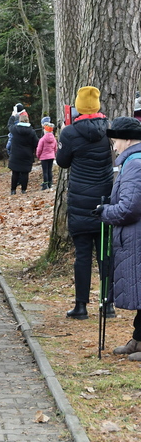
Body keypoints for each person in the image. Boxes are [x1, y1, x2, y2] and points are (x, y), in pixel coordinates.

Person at [56, 86, 113, 320]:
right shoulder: (109, 129)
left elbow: (62, 162)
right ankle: (108, 304)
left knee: (82, 255)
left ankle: (81, 306)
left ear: (78, 107)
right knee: (105, 254)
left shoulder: (70, 132)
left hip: (80, 201)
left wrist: (62, 134)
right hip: (106, 200)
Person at [97, 117, 141, 359]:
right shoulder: (134, 161)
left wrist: (104, 212)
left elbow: (129, 208)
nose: (113, 146)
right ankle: (138, 340)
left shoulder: (135, 164)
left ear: (126, 139)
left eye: (115, 141)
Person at [8, 111, 38, 194]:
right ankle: (23, 189)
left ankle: (13, 190)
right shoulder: (31, 132)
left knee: (15, 173)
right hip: (27, 154)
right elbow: (36, 143)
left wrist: (13, 116)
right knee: (25, 173)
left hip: (16, 154)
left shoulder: (15, 129)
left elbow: (9, 125)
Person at [36, 122, 58, 190]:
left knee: (45, 171)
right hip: (51, 156)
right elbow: (55, 148)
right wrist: (53, 153)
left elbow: (39, 149)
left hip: (44, 157)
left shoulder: (42, 139)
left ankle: (45, 184)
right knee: (49, 170)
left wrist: (38, 155)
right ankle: (50, 183)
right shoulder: (54, 139)